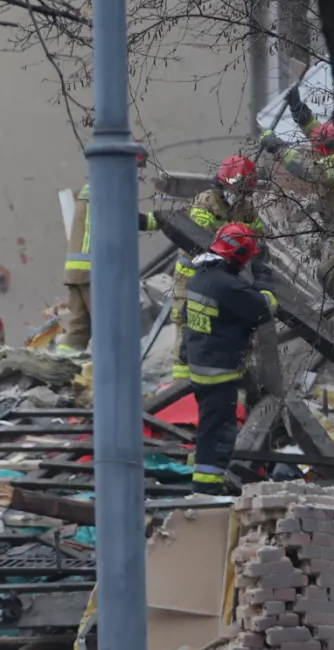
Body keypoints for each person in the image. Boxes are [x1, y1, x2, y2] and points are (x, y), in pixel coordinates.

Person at [261, 92, 334, 346]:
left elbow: (308, 170)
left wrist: (277, 147)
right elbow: (323, 136)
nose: (317, 152)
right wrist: (302, 112)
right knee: (325, 273)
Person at [184, 223, 277, 494]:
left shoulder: (201, 275)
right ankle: (207, 490)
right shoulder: (227, 285)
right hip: (219, 370)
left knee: (209, 426)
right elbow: (263, 310)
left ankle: (206, 476)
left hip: (202, 364)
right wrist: (263, 278)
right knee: (218, 434)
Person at [165, 155, 267, 380]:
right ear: (222, 183)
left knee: (217, 327)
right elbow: (202, 240)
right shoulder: (205, 201)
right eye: (234, 189)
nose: (238, 195)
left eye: (243, 191)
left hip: (222, 277)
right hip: (192, 275)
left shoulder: (246, 208)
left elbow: (257, 238)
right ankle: (180, 385)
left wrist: (259, 258)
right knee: (185, 326)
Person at [60, 179, 164, 354]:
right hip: (94, 273)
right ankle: (113, 376)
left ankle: (61, 369)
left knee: (78, 327)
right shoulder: (110, 190)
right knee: (108, 328)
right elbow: (139, 221)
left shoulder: (89, 192)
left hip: (74, 271)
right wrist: (168, 217)